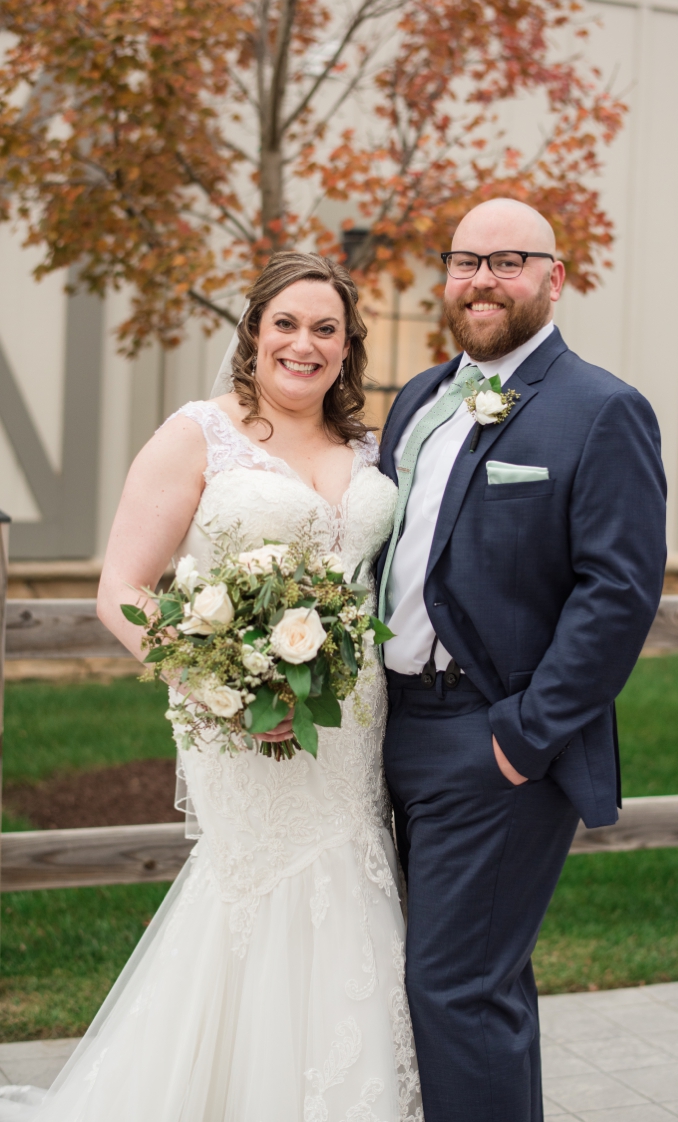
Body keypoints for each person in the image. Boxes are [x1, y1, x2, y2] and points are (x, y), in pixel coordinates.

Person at [0, 252, 419, 1119]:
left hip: (354, 722)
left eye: (326, 329)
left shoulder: (367, 446)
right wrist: (222, 686)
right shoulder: (199, 433)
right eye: (287, 324)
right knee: (264, 887)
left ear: (348, 347)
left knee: (353, 877)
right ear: (255, 333)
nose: (304, 344)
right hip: (238, 717)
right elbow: (121, 589)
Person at [376, 198, 666, 1122]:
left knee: (454, 988)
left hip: (492, 742)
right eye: (466, 261)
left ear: (554, 276)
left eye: (508, 260)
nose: (482, 280)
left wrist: (522, 736)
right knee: (476, 982)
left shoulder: (602, 409)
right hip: (392, 728)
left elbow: (617, 595)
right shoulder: (419, 399)